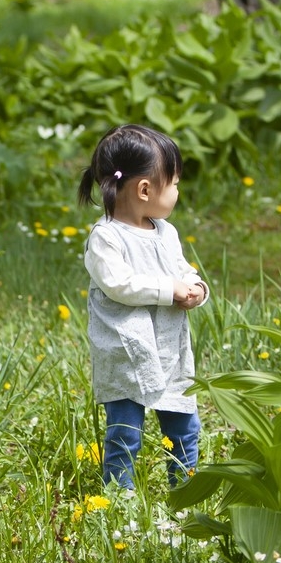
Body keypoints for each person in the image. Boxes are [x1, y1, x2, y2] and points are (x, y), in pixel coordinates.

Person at [78, 124, 208, 490]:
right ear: (146, 189)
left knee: (184, 426)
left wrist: (196, 287)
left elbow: (182, 270)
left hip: (168, 348)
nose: (179, 190)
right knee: (125, 433)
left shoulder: (166, 232)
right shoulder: (106, 238)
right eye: (176, 182)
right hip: (126, 353)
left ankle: (186, 490)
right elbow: (120, 284)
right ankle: (119, 500)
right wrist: (170, 290)